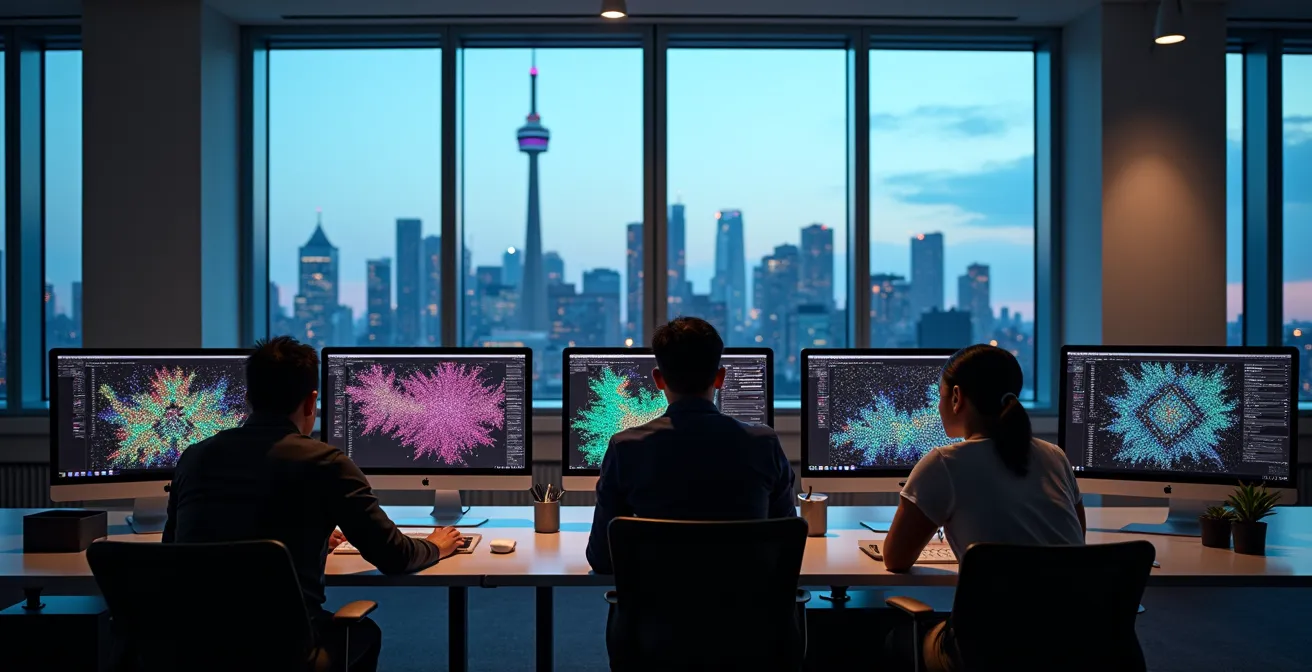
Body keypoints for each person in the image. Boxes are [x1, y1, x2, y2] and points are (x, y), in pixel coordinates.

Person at [162, 337, 465, 672]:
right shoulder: (326, 463)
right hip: (284, 650)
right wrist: (436, 546)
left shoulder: (193, 458)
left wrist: (314, 537)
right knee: (364, 634)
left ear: (248, 400)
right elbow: (394, 557)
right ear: (311, 403)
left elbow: (173, 550)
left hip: (191, 648)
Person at [881, 344, 1086, 671]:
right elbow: (1075, 544)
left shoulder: (943, 463)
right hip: (1074, 644)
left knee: (887, 637)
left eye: (940, 394)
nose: (938, 404)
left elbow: (895, 559)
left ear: (957, 397)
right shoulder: (1055, 457)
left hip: (986, 652)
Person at [585, 316, 796, 574]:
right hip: (746, 611)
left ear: (658, 379)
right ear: (720, 377)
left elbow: (602, 559)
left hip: (656, 613)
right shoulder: (764, 444)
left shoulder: (626, 448)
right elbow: (787, 547)